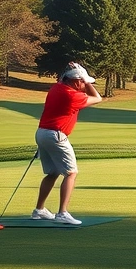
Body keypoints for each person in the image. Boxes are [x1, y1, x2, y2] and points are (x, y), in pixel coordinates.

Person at [32, 62, 103, 225]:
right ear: (75, 81)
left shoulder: (56, 88)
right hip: (56, 135)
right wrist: (87, 83)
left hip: (42, 132)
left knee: (53, 172)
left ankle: (39, 210)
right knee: (71, 173)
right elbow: (98, 98)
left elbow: (62, 80)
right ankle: (62, 213)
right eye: (83, 82)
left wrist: (74, 70)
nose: (85, 85)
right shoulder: (72, 96)